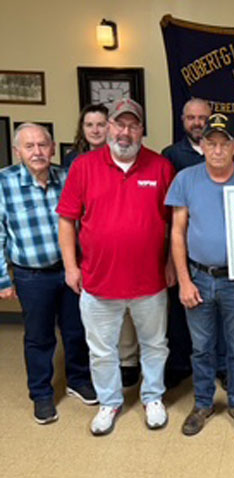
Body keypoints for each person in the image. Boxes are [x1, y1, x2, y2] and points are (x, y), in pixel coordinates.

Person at [57, 99, 175, 436]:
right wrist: (71, 267)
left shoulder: (161, 167)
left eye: (132, 125)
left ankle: (153, 397)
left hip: (149, 281)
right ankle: (109, 402)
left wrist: (170, 262)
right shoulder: (84, 167)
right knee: (101, 350)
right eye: (119, 124)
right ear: (109, 127)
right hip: (98, 281)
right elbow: (67, 220)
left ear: (142, 130)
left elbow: (174, 223)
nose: (125, 132)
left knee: (155, 345)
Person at [166, 113, 234, 436]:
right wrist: (184, 280)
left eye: (224, 143)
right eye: (211, 143)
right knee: (202, 347)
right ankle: (203, 403)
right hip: (199, 277)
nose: (218, 150)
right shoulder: (186, 179)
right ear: (203, 146)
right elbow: (177, 232)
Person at [0, 123, 96, 424]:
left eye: (43, 145)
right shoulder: (3, 182)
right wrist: (3, 280)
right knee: (39, 337)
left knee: (76, 330)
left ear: (53, 148)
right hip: (32, 276)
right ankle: (41, 394)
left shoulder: (67, 177)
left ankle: (78, 380)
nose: (37, 152)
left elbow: (85, 222)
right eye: (29, 146)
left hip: (70, 270)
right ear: (18, 151)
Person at [63, 102, 141, 387]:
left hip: (130, 257)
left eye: (100, 124)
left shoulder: (142, 160)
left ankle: (128, 359)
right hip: (89, 252)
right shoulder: (76, 163)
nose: (96, 130)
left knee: (129, 308)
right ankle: (97, 375)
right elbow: (68, 215)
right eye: (90, 125)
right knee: (95, 316)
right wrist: (71, 264)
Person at [161, 98, 227, 390]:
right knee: (182, 310)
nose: (197, 123)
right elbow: (168, 212)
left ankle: (222, 366)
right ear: (183, 120)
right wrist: (170, 260)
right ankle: (179, 364)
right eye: (191, 118)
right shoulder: (171, 155)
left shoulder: (226, 151)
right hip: (184, 248)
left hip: (219, 253)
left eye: (203, 118)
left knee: (222, 313)